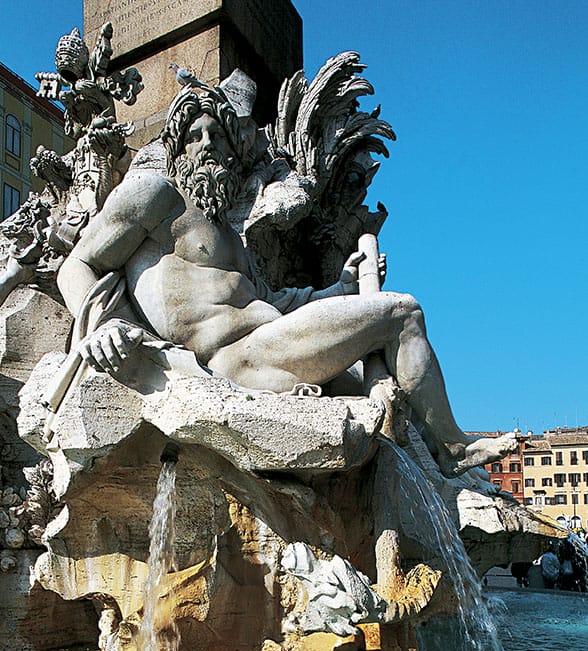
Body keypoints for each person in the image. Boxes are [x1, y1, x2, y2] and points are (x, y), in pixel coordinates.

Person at [57, 86, 516, 477]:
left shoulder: (228, 235)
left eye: (217, 134)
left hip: (271, 342)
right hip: (235, 360)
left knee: (390, 405)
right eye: (195, 136)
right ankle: (452, 447)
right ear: (177, 149)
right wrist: (98, 327)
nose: (208, 144)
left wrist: (342, 286)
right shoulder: (153, 196)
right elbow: (75, 264)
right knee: (403, 312)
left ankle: (434, 456)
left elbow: (273, 300)